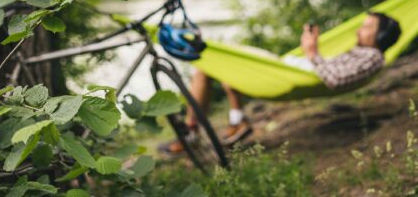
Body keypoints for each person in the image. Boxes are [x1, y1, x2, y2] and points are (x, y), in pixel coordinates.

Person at [160, 11, 401, 154]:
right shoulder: (362, 53)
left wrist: (312, 52)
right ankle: (236, 121)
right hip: (286, 68)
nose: (360, 29)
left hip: (290, 73)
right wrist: (312, 50)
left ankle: (193, 132)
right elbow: (334, 70)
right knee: (221, 67)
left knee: (207, 64)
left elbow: (335, 80)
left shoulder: (373, 57)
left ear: (380, 36)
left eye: (367, 27)